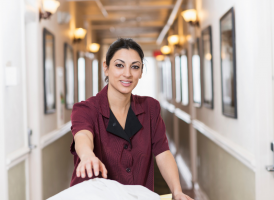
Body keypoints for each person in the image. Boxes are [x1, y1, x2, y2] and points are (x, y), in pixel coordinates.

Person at [69, 38, 193, 200]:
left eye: (135, 67)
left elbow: (163, 152)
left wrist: (177, 191)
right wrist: (86, 155)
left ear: (141, 72)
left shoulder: (150, 108)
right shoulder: (86, 109)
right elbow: (83, 136)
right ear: (106, 68)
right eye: (119, 65)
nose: (127, 73)